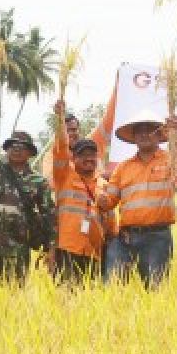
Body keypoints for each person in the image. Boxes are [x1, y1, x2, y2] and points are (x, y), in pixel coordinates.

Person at [98, 109, 177, 287]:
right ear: (133, 136)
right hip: (126, 237)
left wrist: (176, 134)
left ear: (159, 134)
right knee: (112, 286)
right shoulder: (123, 167)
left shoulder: (170, 161)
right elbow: (109, 201)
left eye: (149, 130)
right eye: (139, 130)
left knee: (155, 288)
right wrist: (102, 200)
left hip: (157, 237)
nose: (144, 134)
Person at [0, 116, 57, 283]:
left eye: (22, 146)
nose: (16, 149)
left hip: (17, 250)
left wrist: (52, 249)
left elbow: (50, 216)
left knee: (13, 298)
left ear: (30, 152)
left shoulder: (38, 182)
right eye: (12, 145)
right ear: (7, 149)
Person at [49, 100, 114, 284]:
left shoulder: (103, 184)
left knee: (89, 303)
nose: (88, 159)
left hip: (94, 252)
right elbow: (60, 149)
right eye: (83, 155)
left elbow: (110, 218)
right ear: (74, 158)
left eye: (92, 155)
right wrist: (60, 119)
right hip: (68, 249)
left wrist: (114, 236)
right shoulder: (64, 175)